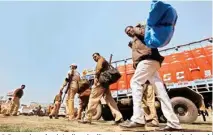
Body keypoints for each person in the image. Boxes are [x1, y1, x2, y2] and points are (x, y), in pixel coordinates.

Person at [119, 25, 182, 131]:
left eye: (130, 29)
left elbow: (144, 33)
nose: (129, 32)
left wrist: (135, 29)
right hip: (152, 62)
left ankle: (138, 119)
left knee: (135, 83)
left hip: (147, 60)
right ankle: (174, 123)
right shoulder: (135, 40)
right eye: (127, 32)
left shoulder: (140, 31)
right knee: (161, 93)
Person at [78, 53, 123, 124]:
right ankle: (118, 117)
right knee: (110, 100)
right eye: (93, 58)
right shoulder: (104, 60)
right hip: (105, 84)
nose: (95, 58)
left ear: (99, 55)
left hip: (100, 83)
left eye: (95, 56)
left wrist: (96, 77)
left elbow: (98, 68)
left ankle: (87, 118)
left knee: (93, 98)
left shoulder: (101, 59)